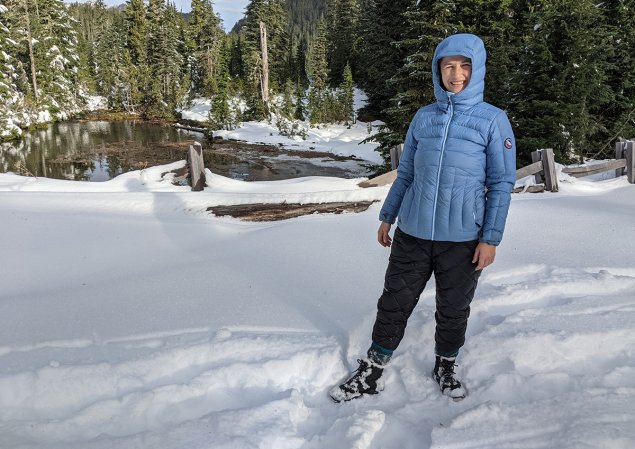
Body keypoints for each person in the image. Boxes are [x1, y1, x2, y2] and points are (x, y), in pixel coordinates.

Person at [330, 33, 516, 402]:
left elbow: (501, 183)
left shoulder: (492, 121)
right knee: (394, 301)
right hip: (413, 232)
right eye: (449, 65)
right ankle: (373, 368)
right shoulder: (424, 117)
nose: (456, 74)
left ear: (476, 71)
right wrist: (388, 215)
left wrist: (490, 238)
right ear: (438, 70)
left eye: (464, 66)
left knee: (453, 307)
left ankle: (446, 364)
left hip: (463, 238)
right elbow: (408, 174)